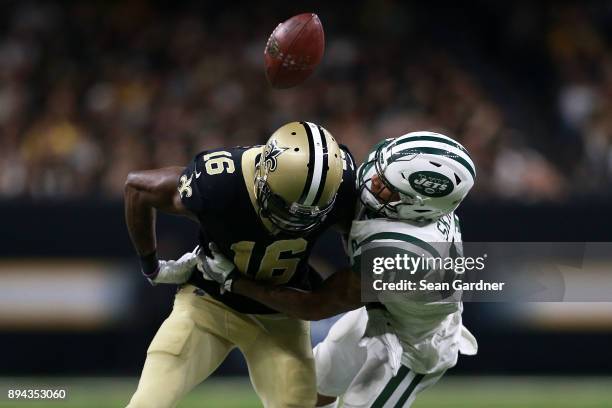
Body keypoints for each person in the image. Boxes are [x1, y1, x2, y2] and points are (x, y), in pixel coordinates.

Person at [200, 131, 478, 407]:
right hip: (379, 311)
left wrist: (234, 281)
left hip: (415, 344)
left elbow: (314, 306)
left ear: (420, 208)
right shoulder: (407, 205)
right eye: (380, 167)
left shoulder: (404, 253)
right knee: (308, 392)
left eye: (387, 187)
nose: (372, 180)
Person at [124, 121, 356, 407]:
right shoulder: (220, 181)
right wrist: (152, 266)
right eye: (286, 206)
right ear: (262, 177)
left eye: (311, 213)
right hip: (207, 304)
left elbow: (319, 302)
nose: (296, 221)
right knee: (148, 403)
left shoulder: (344, 182)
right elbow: (137, 187)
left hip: (281, 318)